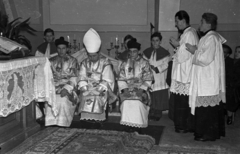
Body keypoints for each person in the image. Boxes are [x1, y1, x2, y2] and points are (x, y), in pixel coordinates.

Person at [186, 13, 226, 141]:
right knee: (205, 108)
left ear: (208, 24)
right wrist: (197, 50)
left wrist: (194, 51)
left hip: (208, 79)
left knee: (207, 109)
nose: (200, 24)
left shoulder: (211, 38)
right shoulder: (209, 37)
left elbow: (205, 58)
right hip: (205, 77)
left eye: (202, 22)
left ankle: (207, 134)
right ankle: (202, 132)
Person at [74, 28, 116, 126]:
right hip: (87, 88)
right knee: (85, 95)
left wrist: (98, 89)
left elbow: (107, 78)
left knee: (96, 96)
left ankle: (98, 120)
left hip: (101, 88)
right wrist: (85, 88)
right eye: (90, 56)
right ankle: (86, 119)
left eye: (94, 56)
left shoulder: (105, 62)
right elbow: (81, 77)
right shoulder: (84, 62)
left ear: (98, 53)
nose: (92, 58)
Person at [169, 10, 199, 133]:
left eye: (177, 21)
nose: (176, 24)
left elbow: (183, 56)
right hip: (183, 72)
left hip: (185, 74)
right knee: (181, 100)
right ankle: (182, 125)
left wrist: (177, 45)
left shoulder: (189, 34)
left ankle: (183, 126)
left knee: (182, 101)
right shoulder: (188, 33)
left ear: (183, 20)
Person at [118, 39, 153, 133]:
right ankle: (128, 124)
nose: (132, 53)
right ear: (128, 52)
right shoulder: (124, 63)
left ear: (139, 51)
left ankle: (138, 125)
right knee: (126, 101)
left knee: (137, 101)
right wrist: (124, 89)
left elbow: (148, 79)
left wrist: (141, 90)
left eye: (135, 51)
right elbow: (121, 79)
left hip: (141, 90)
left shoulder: (144, 63)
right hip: (127, 89)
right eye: (131, 51)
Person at [44, 37, 79, 127]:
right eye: (59, 48)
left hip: (68, 87)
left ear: (67, 49)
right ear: (57, 49)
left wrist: (67, 89)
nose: (61, 51)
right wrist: (50, 89)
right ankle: (51, 123)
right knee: (50, 100)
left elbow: (75, 77)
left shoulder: (73, 61)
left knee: (63, 101)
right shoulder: (51, 61)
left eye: (63, 48)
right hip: (54, 87)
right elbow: (48, 77)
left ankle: (63, 123)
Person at [143, 32, 170, 121]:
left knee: (159, 96)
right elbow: (143, 62)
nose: (155, 43)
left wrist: (157, 68)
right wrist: (147, 67)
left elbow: (166, 64)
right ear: (151, 41)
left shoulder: (165, 53)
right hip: (149, 76)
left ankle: (158, 113)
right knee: (151, 95)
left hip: (159, 77)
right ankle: (151, 112)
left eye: (157, 41)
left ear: (160, 41)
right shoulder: (147, 52)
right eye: (153, 41)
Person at [225, 46, 240, 125]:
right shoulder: (229, 61)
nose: (237, 53)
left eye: (239, 52)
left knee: (231, 95)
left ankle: (230, 116)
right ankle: (228, 114)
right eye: (236, 51)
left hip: (236, 86)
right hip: (228, 84)